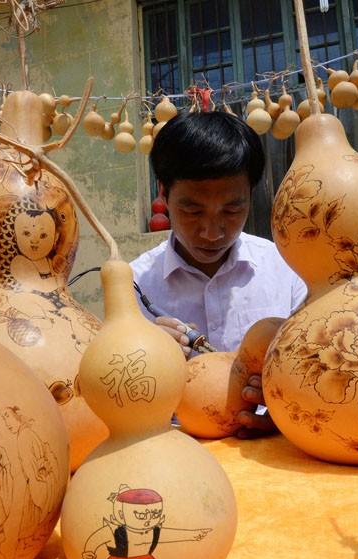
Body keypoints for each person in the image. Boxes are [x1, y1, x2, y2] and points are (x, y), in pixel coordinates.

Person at [130, 111, 306, 438]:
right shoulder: (133, 286)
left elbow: (312, 375)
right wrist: (140, 359)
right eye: (192, 210)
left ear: (251, 196)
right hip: (173, 453)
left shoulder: (287, 268)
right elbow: (116, 398)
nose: (212, 232)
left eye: (232, 210)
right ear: (163, 193)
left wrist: (284, 410)